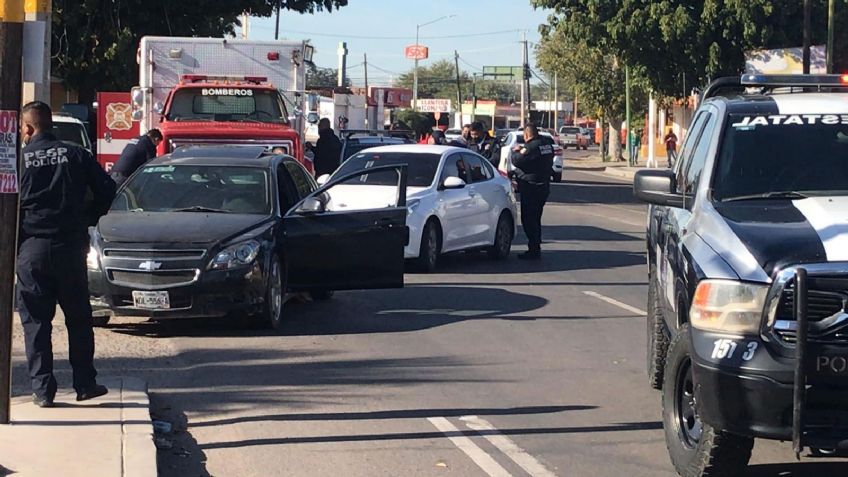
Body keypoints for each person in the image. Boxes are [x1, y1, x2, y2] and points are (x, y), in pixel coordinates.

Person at [18, 101, 117, 407]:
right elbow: (108, 190)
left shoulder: (18, 160)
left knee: (36, 322)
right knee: (78, 318)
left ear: (29, 128)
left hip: (31, 248)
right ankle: (85, 384)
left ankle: (42, 390)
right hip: (71, 247)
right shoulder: (76, 154)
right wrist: (87, 216)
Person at [511, 122, 554, 260]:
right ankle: (536, 245)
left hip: (531, 187)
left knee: (528, 219)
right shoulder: (546, 144)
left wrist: (516, 151)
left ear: (527, 134)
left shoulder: (530, 147)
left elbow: (517, 161)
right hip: (543, 186)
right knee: (536, 217)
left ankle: (534, 248)